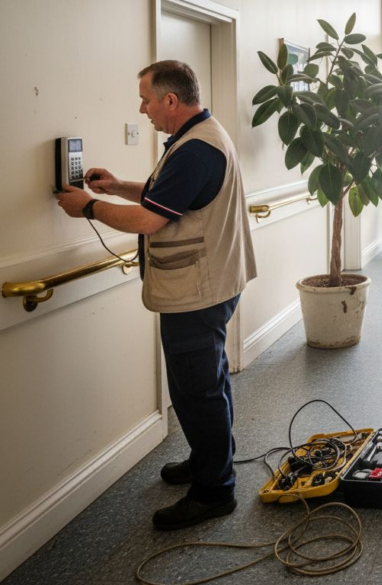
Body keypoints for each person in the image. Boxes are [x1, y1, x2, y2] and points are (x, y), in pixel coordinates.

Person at [56, 60, 257, 530]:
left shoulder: (194, 150)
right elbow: (165, 196)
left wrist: (88, 205)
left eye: (146, 99)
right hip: (215, 281)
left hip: (197, 290)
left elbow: (150, 220)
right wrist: (117, 187)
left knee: (196, 389)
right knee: (208, 381)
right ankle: (211, 460)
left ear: (171, 100)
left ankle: (214, 490)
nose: (142, 108)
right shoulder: (201, 136)